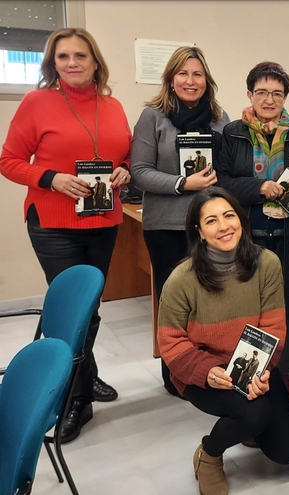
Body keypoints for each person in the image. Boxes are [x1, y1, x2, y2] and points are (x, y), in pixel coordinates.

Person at [0, 27, 132, 443]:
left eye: (80, 55)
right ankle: (77, 400)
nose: (72, 63)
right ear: (52, 64)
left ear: (95, 61)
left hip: (104, 220)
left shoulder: (112, 105)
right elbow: (9, 160)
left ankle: (84, 377)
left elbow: (123, 155)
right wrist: (51, 178)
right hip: (54, 223)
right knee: (69, 313)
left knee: (89, 309)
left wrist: (125, 171)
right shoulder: (36, 102)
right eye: (63, 57)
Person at [158, 187, 289, 495]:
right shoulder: (181, 279)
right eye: (211, 221)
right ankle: (209, 455)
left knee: (287, 453)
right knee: (255, 412)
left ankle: (249, 427)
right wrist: (208, 371)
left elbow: (274, 328)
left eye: (229, 216)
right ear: (198, 231)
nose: (223, 226)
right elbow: (170, 343)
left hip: (254, 364)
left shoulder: (267, 264)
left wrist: (264, 371)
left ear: (241, 220)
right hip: (204, 372)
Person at [216, 61, 289, 399]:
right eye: (261, 92)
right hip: (248, 235)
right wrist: (260, 188)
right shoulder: (232, 134)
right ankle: (248, 370)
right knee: (248, 307)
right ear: (250, 94)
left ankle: (286, 376)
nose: (269, 99)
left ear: (285, 97)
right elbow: (222, 183)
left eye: (277, 93)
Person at [131, 46, 230, 396]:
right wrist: (182, 183)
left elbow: (230, 169)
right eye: (183, 74)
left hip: (209, 227)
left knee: (209, 300)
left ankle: (206, 368)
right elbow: (139, 172)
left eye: (197, 74)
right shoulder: (153, 118)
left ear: (207, 80)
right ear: (171, 79)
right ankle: (174, 372)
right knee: (174, 303)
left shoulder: (220, 119)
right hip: (166, 227)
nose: (191, 81)